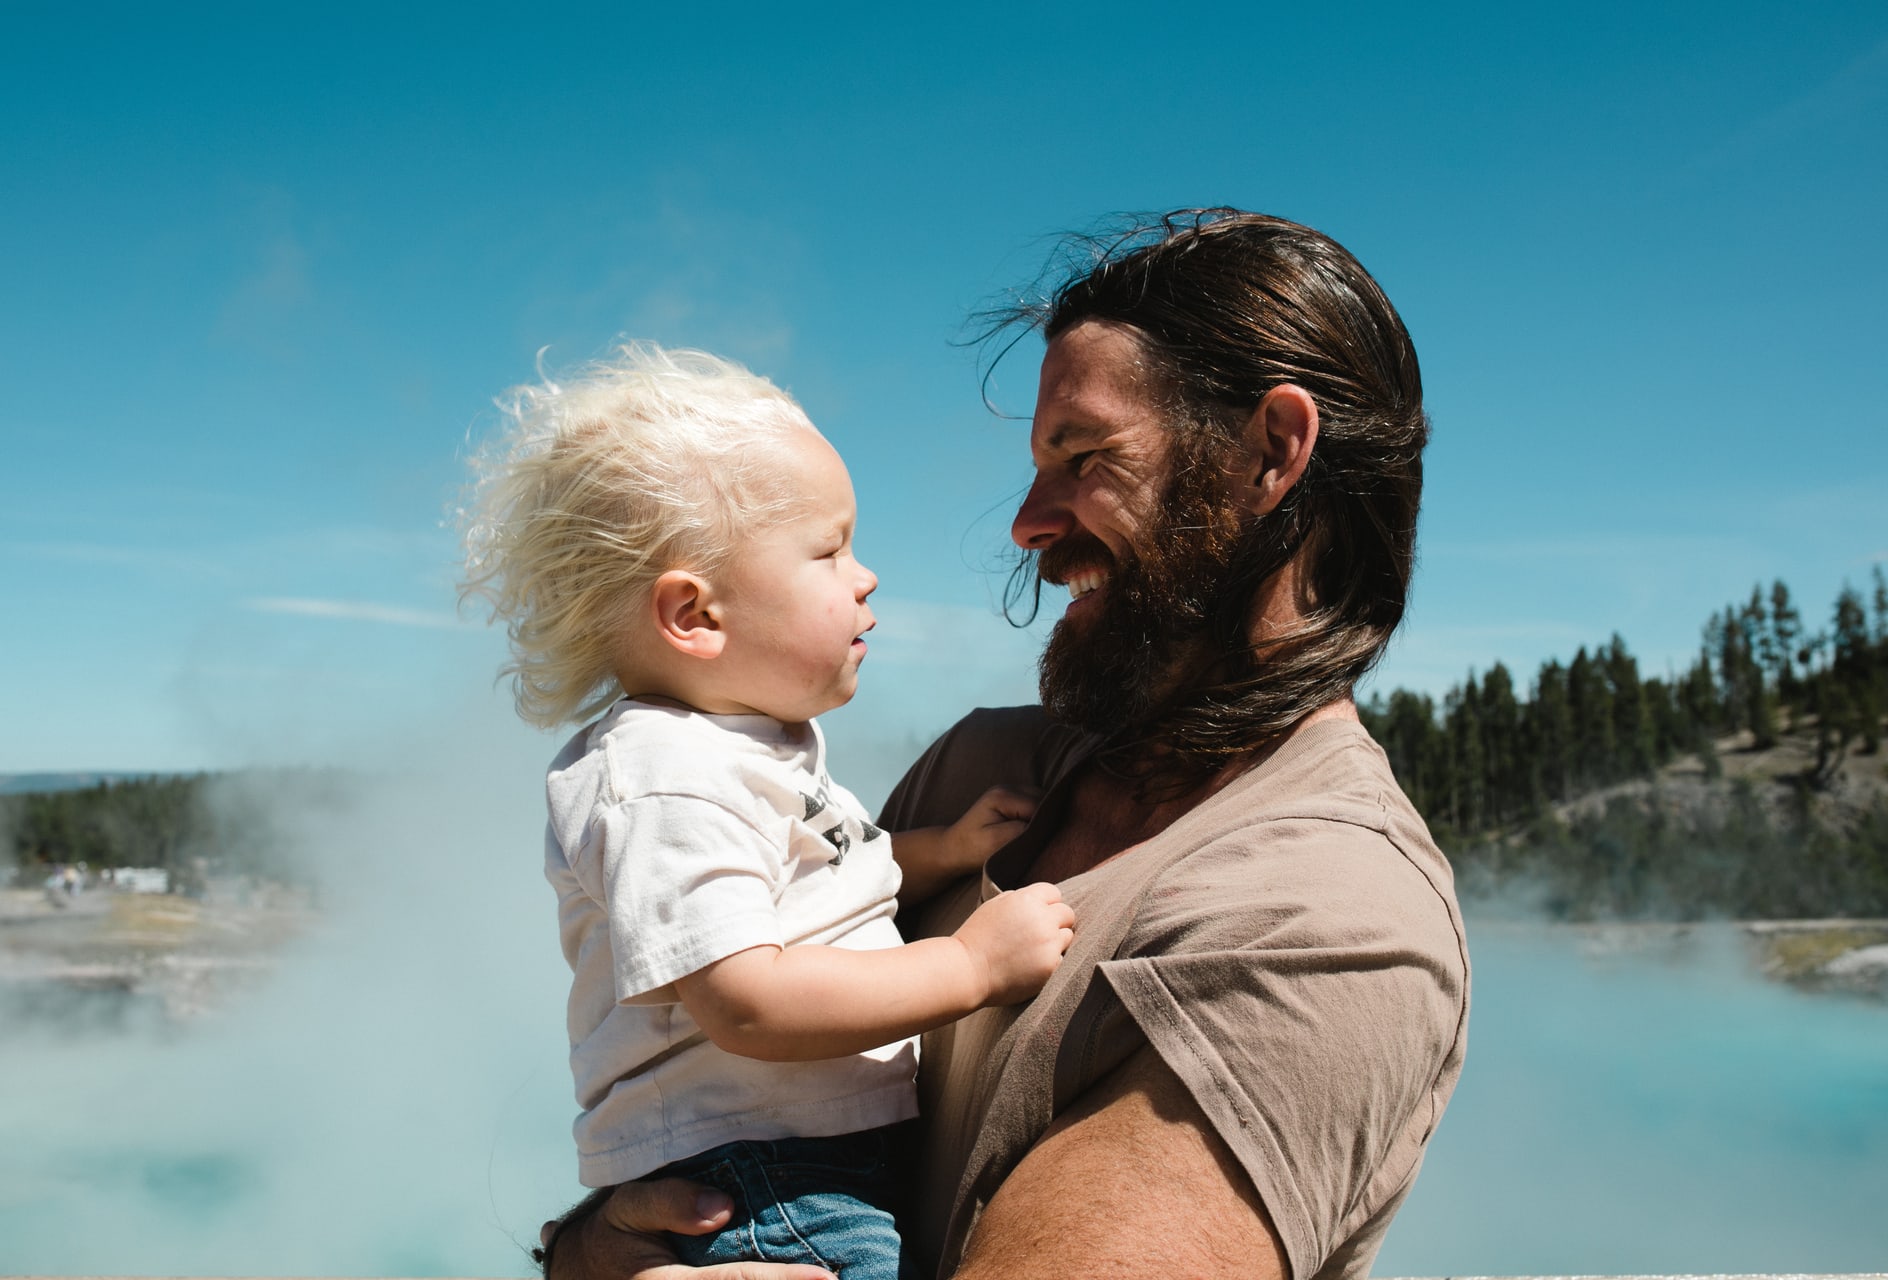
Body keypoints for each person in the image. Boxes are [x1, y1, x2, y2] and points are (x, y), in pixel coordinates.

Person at [541, 210, 1471, 1280]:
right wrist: (587, 1251)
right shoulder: (982, 768)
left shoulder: (1331, 913)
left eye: (1083, 455)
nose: (1029, 520)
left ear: (1270, 451)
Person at [460, 345, 1078, 1280]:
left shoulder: (741, 747)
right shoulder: (664, 774)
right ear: (696, 616)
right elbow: (746, 997)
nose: (865, 576)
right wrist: (969, 964)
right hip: (763, 1186)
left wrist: (941, 852)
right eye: (828, 551)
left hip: (796, 1167)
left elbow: (813, 890)